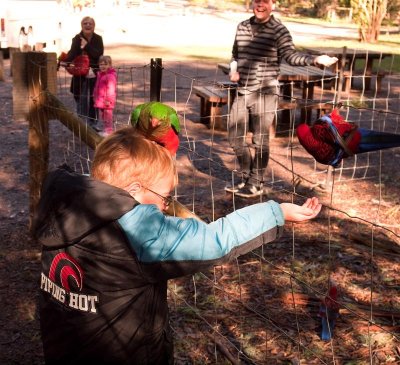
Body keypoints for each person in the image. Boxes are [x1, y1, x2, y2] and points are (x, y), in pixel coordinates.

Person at [33, 128, 321, 364]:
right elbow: (215, 241)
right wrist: (276, 212)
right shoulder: (140, 234)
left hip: (62, 346)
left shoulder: (65, 205)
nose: (165, 205)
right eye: (164, 196)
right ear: (133, 191)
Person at [225, 0, 338, 198]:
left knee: (260, 139)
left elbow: (291, 56)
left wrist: (314, 59)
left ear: (273, 5)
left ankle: (255, 183)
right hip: (243, 90)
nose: (260, 5)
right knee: (234, 137)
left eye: (265, 2)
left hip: (265, 91)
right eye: (257, 1)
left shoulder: (279, 30)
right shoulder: (242, 26)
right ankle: (246, 178)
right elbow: (235, 55)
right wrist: (234, 71)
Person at [296, 108, 400, 167]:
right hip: (355, 137)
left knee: (383, 143)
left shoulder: (317, 154)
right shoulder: (317, 130)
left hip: (350, 149)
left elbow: (331, 159)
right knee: (382, 138)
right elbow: (329, 128)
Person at [62, 16, 104, 128]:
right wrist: (63, 61)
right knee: (80, 97)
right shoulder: (77, 38)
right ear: (82, 25)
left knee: (93, 98)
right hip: (80, 73)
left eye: (90, 23)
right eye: (85, 23)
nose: (88, 25)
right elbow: (72, 54)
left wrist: (86, 46)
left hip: (94, 72)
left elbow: (98, 55)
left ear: (94, 26)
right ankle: (81, 124)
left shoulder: (98, 39)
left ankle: (93, 123)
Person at [93, 55, 117, 136]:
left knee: (108, 117)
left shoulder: (110, 76)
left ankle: (109, 131)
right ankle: (106, 130)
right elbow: (98, 87)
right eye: (101, 64)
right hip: (101, 100)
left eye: (105, 64)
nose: (102, 66)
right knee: (103, 116)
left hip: (107, 102)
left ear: (110, 65)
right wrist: (95, 97)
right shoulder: (101, 75)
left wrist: (108, 100)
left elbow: (111, 90)